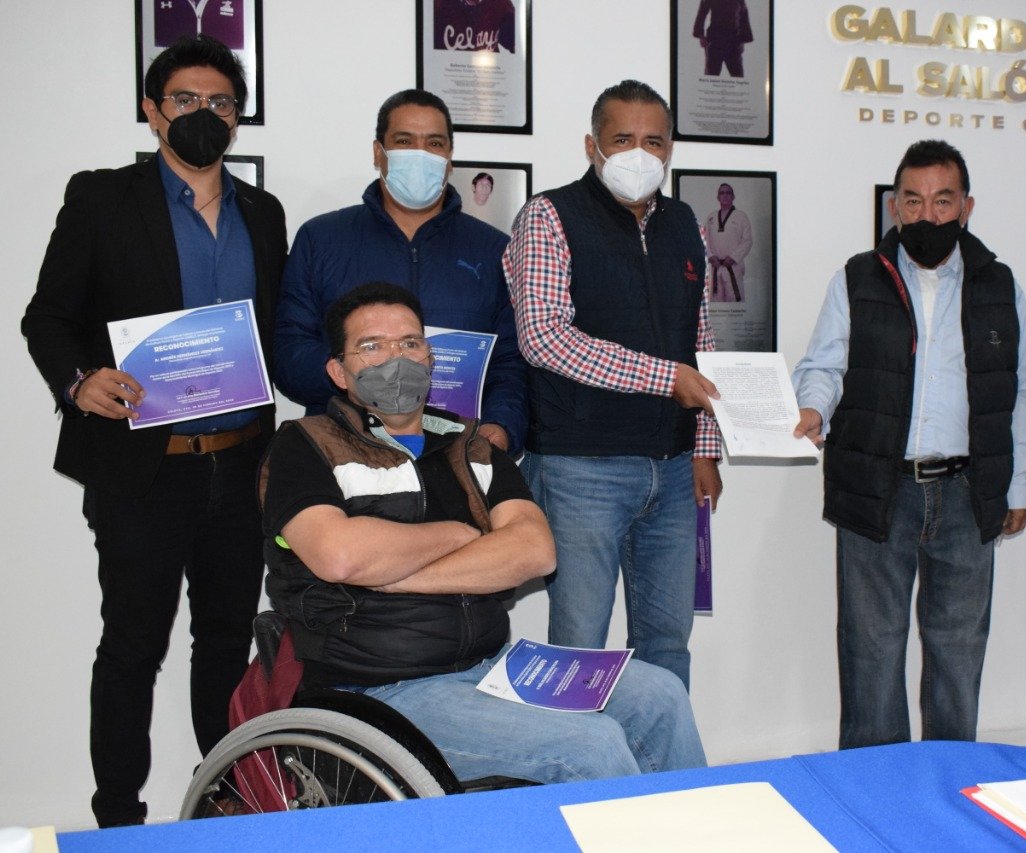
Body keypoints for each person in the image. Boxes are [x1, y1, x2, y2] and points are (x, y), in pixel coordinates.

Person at [261, 282, 706, 783]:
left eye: (410, 342)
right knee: (589, 746)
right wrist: (459, 534)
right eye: (372, 346)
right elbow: (340, 556)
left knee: (660, 693)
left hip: (490, 667)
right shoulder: (304, 446)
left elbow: (535, 551)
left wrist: (390, 574)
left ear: (430, 358)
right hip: (378, 690)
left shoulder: (470, 444)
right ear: (338, 372)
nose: (396, 358)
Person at [21, 35, 287, 827]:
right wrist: (80, 381)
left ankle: (227, 805)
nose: (204, 113)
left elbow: (276, 332)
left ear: (237, 118)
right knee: (132, 647)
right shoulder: (102, 199)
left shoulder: (263, 213)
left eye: (220, 102)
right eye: (185, 100)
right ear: (152, 111)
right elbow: (48, 317)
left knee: (227, 644)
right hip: (143, 468)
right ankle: (117, 821)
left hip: (239, 466)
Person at [792, 139, 1026, 750]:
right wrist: (812, 408)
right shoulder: (857, 277)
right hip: (876, 489)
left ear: (966, 207)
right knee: (871, 651)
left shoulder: (999, 285)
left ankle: (951, 781)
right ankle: (877, 788)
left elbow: (1024, 390)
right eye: (913, 201)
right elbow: (824, 365)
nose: (927, 215)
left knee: (958, 652)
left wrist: (1015, 488)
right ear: (894, 208)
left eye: (942, 201)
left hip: (967, 495)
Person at [503, 80, 723, 690]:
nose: (639, 154)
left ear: (670, 149)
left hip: (674, 471)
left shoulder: (685, 223)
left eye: (654, 141)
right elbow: (544, 337)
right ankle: (575, 757)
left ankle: (659, 755)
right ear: (591, 146)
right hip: (582, 470)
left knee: (667, 645)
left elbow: (701, 339)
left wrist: (705, 447)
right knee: (579, 649)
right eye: (623, 139)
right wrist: (665, 379)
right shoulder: (548, 216)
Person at [275, 89, 527, 454]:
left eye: (434, 143)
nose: (420, 154)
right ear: (378, 153)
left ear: (449, 158)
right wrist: (360, 377)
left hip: (456, 449)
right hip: (344, 447)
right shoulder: (321, 239)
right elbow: (290, 351)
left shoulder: (494, 249)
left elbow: (511, 360)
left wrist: (501, 426)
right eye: (404, 141)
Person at [706, 183, 753, 302]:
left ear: (733, 196)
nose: (725, 195)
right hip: (715, 266)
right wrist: (710, 256)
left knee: (735, 303)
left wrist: (733, 258)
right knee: (716, 303)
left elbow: (747, 241)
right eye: (722, 193)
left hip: (733, 267)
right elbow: (705, 240)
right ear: (718, 197)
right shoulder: (711, 217)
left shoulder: (741, 216)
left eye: (728, 193)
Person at [692, 0, 753, 78]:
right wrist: (701, 36)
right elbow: (702, 12)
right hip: (714, 41)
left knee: (738, 77)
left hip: (734, 41)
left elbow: (743, 13)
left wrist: (743, 38)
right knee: (710, 77)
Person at [433, 0, 516, 53]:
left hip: (488, 72)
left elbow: (518, 48)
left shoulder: (500, 5)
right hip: (452, 72)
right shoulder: (439, 6)